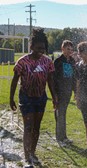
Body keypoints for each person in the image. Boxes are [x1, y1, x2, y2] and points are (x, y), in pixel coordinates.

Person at [9, 28, 57, 167]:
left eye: (43, 48)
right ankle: (26, 156)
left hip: (41, 98)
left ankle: (32, 153)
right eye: (38, 48)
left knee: (36, 127)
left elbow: (50, 81)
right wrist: (11, 98)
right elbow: (14, 80)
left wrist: (54, 97)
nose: (40, 51)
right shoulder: (22, 62)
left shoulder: (47, 62)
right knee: (28, 127)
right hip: (26, 97)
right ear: (31, 47)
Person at [53, 40, 76, 147]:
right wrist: (55, 95)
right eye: (68, 49)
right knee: (60, 114)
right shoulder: (58, 61)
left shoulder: (72, 61)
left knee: (63, 114)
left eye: (71, 49)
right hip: (59, 92)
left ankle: (64, 137)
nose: (70, 51)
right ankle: (59, 138)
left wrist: (75, 91)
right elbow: (53, 79)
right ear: (62, 49)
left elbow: (74, 77)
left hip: (68, 92)